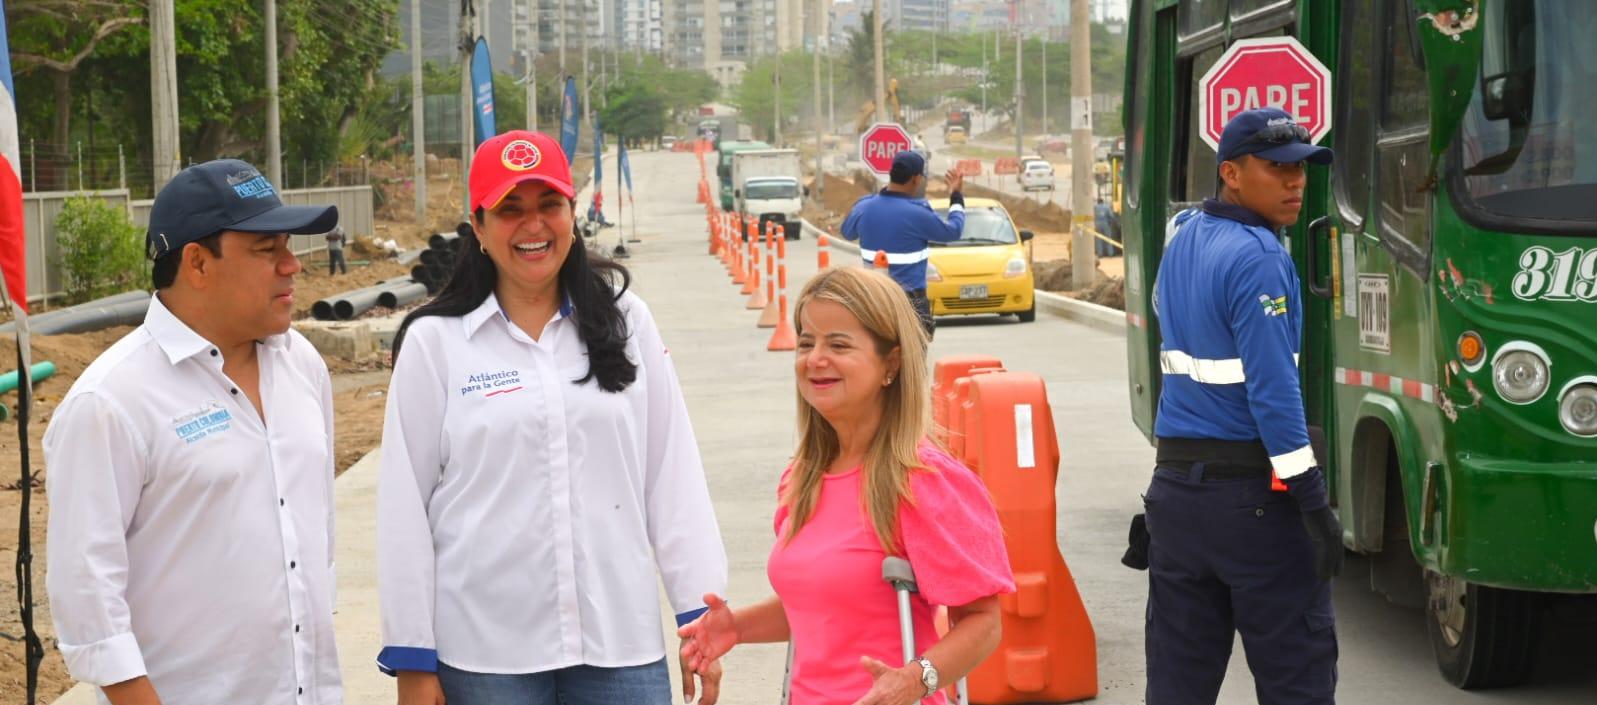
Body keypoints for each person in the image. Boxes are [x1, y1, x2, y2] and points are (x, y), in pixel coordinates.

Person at [377, 130, 728, 705]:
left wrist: (701, 613)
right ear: (480, 227)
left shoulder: (626, 322)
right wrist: (413, 658)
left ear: (572, 213)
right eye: (510, 209)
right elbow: (403, 509)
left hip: (620, 646)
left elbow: (672, 473)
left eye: (549, 205)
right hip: (486, 655)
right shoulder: (434, 343)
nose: (533, 225)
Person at [45, 159, 342, 705]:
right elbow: (89, 602)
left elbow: (317, 542)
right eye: (265, 249)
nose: (291, 266)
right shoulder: (111, 402)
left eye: (288, 246)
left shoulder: (303, 366)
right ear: (198, 263)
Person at [678, 267, 1014, 705]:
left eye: (838, 344)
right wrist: (736, 627)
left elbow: (984, 622)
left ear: (890, 364)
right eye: (806, 343)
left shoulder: (926, 481)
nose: (815, 358)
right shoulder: (801, 479)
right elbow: (828, 607)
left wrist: (914, 680)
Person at [1141, 107, 1341, 705]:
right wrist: (1312, 499)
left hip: (1175, 498)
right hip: (1252, 504)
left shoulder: (1185, 233)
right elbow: (1274, 392)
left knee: (1178, 686)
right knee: (1295, 680)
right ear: (1231, 172)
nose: (1295, 182)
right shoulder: (1259, 256)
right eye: (1276, 168)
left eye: (1301, 169)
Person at [840, 151, 966, 339]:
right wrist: (956, 196)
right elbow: (953, 231)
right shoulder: (918, 214)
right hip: (910, 301)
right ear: (915, 179)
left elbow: (847, 232)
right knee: (913, 361)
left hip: (873, 298)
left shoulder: (864, 207)